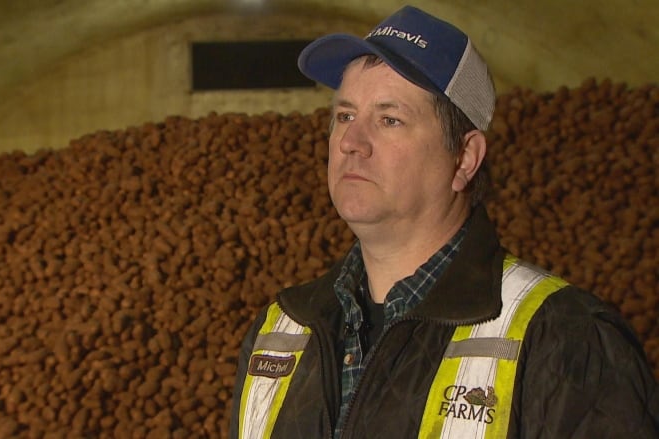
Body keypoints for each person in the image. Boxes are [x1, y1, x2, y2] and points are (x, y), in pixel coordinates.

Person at [229, 4, 659, 439]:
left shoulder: (567, 341)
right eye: (345, 116)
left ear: (465, 157)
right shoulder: (281, 332)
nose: (352, 143)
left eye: (389, 119)